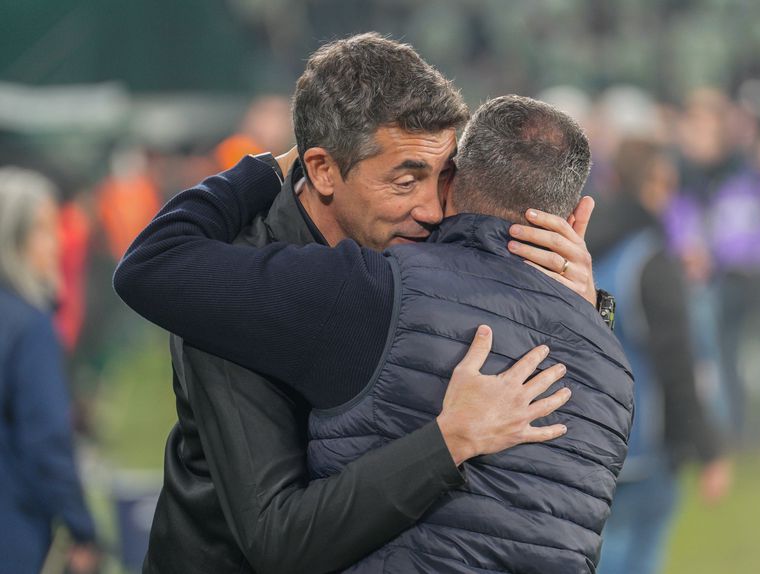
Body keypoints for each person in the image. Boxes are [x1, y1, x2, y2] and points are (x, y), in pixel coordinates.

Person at [114, 34, 601, 574]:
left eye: (441, 177)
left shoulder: (412, 251)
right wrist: (447, 444)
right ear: (322, 170)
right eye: (405, 178)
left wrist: (581, 305)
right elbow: (278, 539)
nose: (432, 209)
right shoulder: (234, 284)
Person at [590, 138, 731, 574]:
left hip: (590, 431)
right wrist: (707, 447)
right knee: (635, 555)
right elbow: (677, 360)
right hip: (644, 441)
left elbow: (604, 322)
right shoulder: (650, 260)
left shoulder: (588, 250)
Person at [0, 167, 99, 574]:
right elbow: (46, 439)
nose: (58, 242)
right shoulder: (28, 325)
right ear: (13, 239)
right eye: (44, 229)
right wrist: (81, 529)